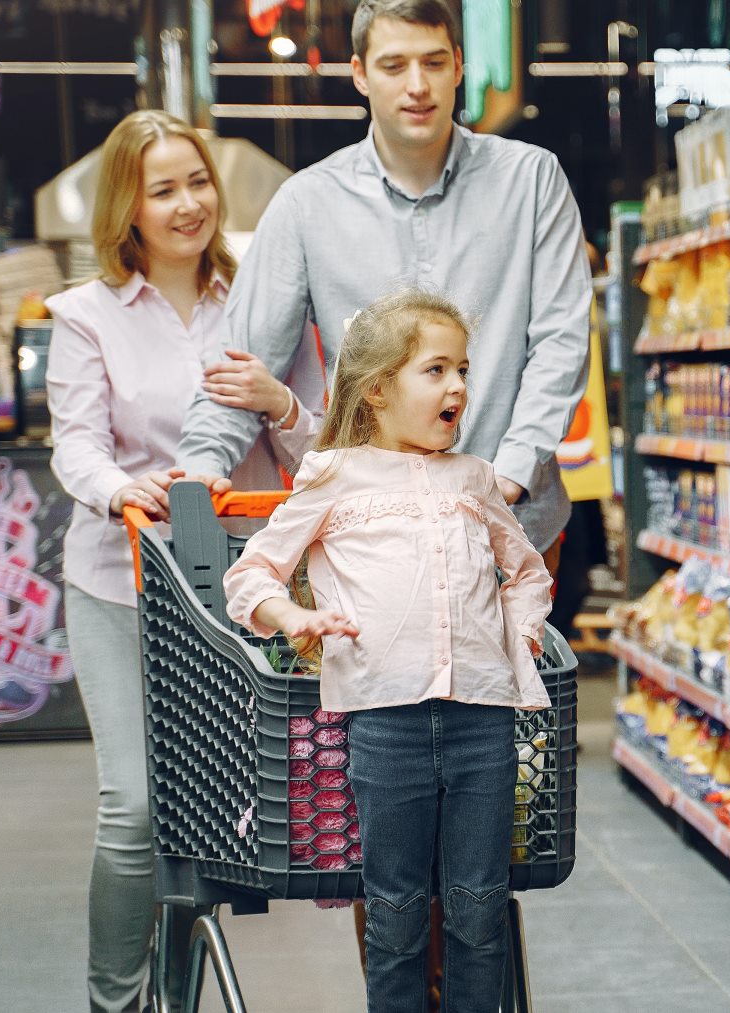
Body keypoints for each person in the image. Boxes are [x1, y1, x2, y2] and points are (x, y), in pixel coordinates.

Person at [45, 108, 322, 1013]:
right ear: (127, 206)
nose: (188, 203)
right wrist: (119, 489)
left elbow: (323, 451)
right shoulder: (85, 316)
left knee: (203, 812)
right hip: (120, 584)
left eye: (198, 181)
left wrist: (280, 401)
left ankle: (179, 994)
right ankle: (112, 1001)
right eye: (163, 189)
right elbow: (73, 445)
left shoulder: (264, 302)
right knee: (133, 807)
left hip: (233, 597)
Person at [171, 0, 591, 580]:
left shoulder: (532, 181)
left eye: (433, 62)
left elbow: (561, 343)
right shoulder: (307, 204)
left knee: (519, 672)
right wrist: (198, 468)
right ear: (361, 75)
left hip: (515, 533)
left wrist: (508, 479)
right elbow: (244, 365)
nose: (417, 86)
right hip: (371, 542)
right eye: (394, 66)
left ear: (459, 66)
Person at [223, 290, 552, 1013]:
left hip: (484, 721)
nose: (458, 387)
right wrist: (291, 616)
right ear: (377, 389)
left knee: (478, 907)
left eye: (463, 369)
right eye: (435, 370)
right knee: (398, 912)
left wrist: (518, 637)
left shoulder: (474, 477)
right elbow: (250, 574)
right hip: (383, 722)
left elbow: (528, 572)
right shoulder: (333, 474)